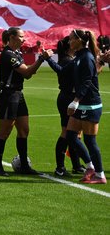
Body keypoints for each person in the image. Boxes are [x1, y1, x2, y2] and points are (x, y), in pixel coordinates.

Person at [0, 27, 44, 176]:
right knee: (5, 131)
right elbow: (27, 72)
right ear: (12, 37)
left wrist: (36, 64)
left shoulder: (17, 53)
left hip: (17, 94)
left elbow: (27, 75)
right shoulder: (8, 54)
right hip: (7, 95)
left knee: (24, 130)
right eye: (21, 36)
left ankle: (24, 166)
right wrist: (41, 59)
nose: (24, 39)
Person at [64, 29, 106, 184]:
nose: (69, 42)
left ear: (79, 40)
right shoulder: (79, 56)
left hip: (90, 105)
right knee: (71, 136)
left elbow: (87, 82)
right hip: (83, 103)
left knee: (90, 141)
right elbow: (63, 71)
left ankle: (100, 175)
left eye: (71, 39)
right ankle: (90, 167)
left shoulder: (87, 57)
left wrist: (76, 100)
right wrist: (46, 59)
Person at [41, 35, 84, 177]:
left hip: (69, 97)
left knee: (74, 133)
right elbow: (62, 72)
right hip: (67, 98)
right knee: (66, 132)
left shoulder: (69, 59)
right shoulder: (67, 60)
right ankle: (60, 167)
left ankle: (76, 165)